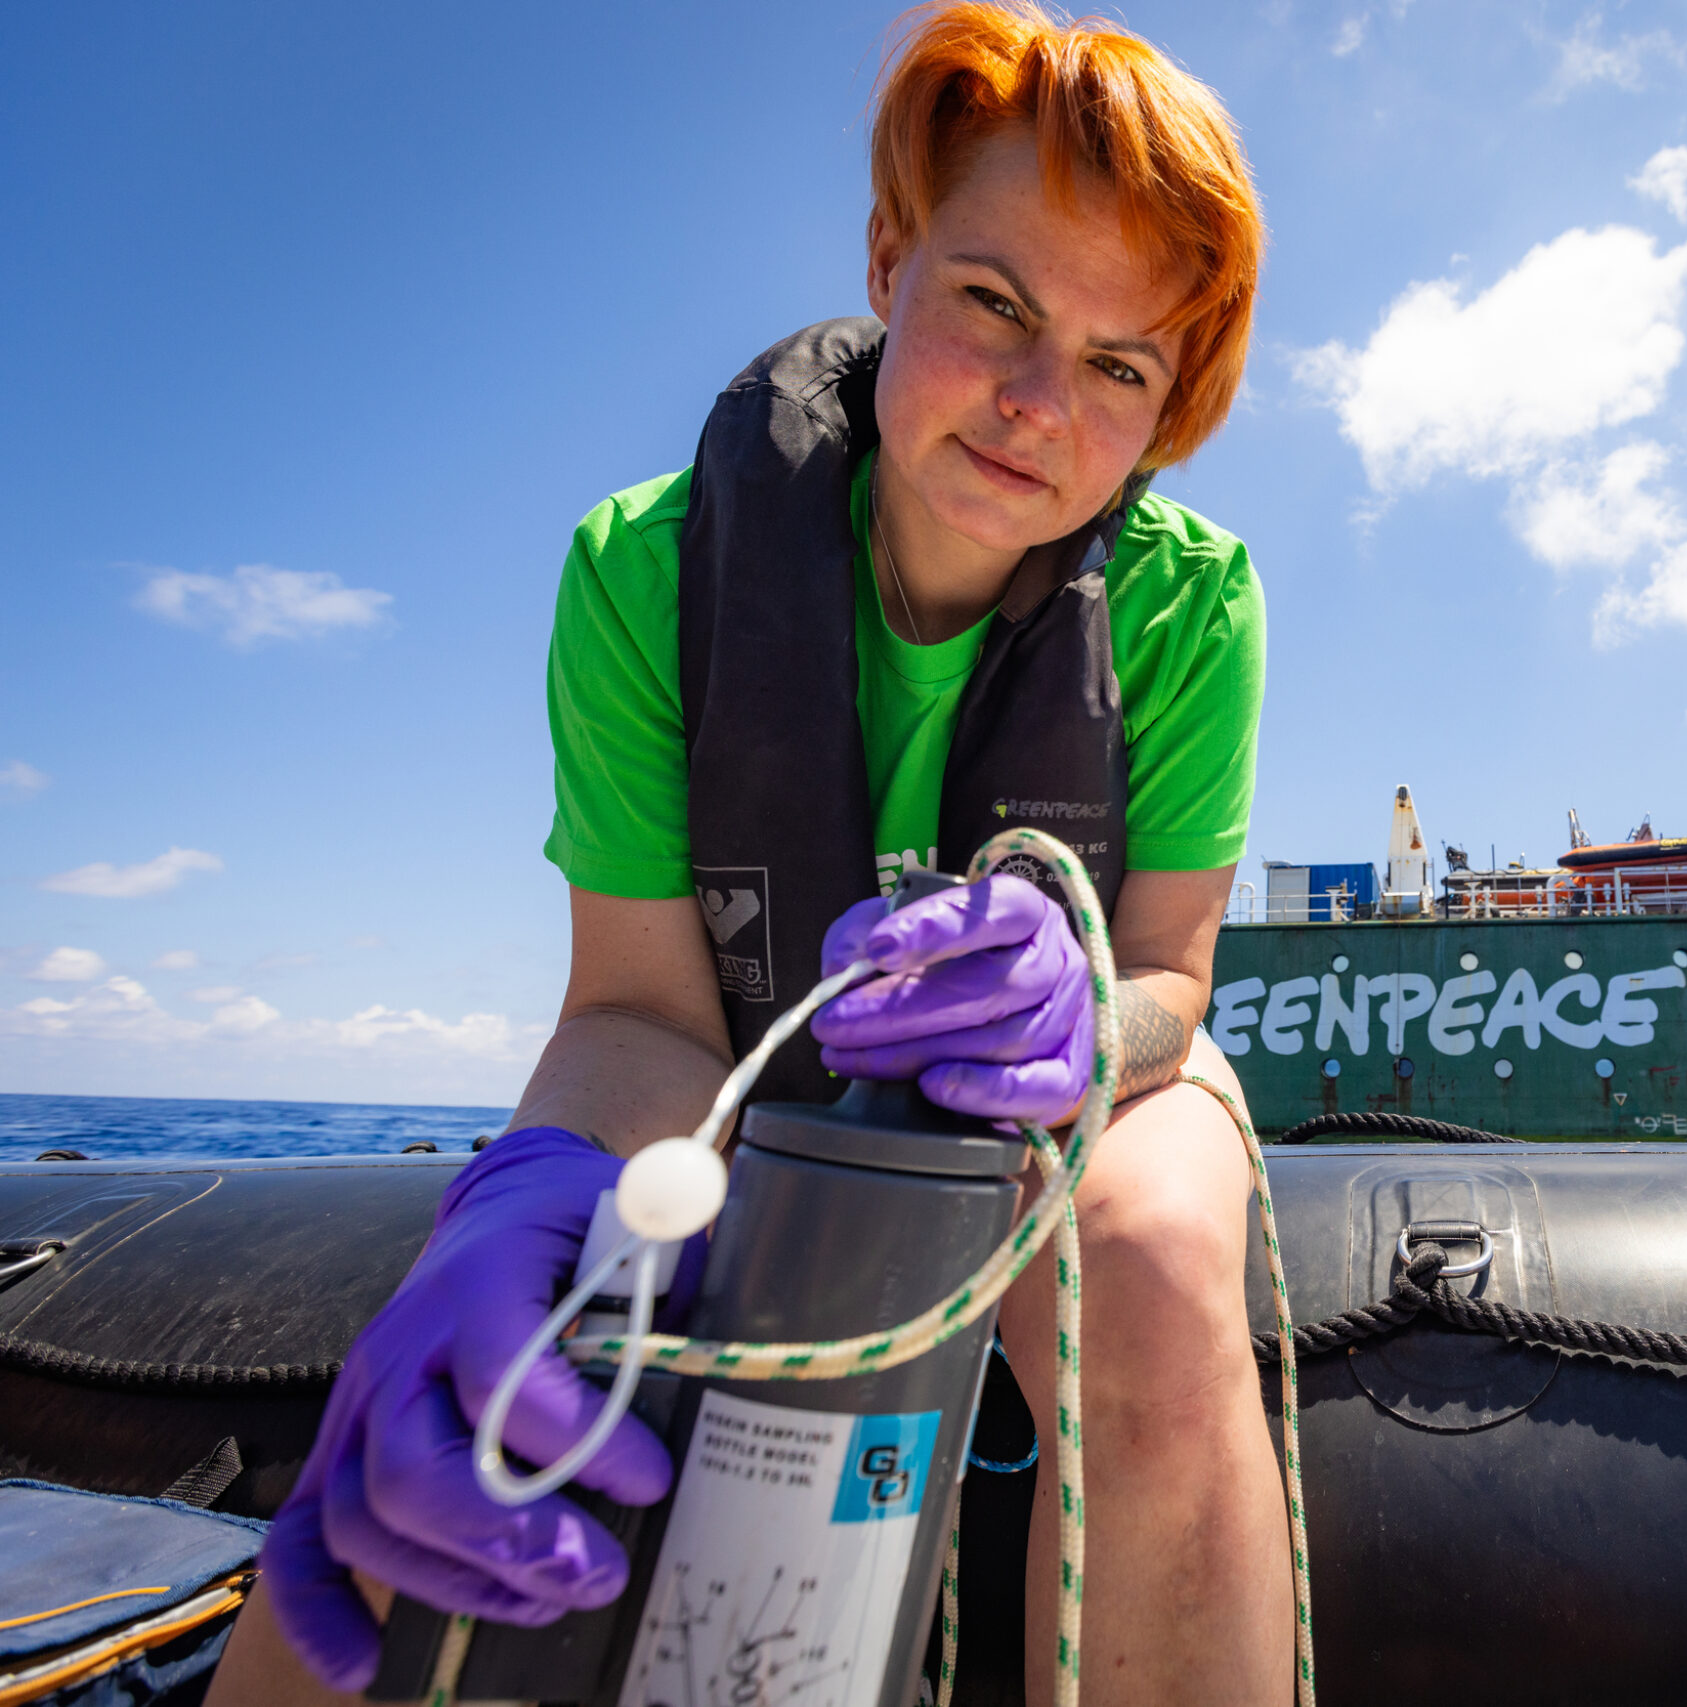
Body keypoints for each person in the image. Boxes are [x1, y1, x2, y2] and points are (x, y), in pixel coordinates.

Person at [208, 6, 1284, 1704]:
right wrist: (521, 1203)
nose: (1033, 403)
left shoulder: (1190, 605)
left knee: (1148, 1261)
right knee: (471, 1384)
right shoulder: (643, 574)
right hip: (728, 1100)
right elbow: (638, 1008)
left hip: (1064, 1114)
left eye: (1118, 365)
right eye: (995, 303)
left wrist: (1087, 1025)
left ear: (1162, 413)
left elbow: (1172, 978)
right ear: (889, 259)